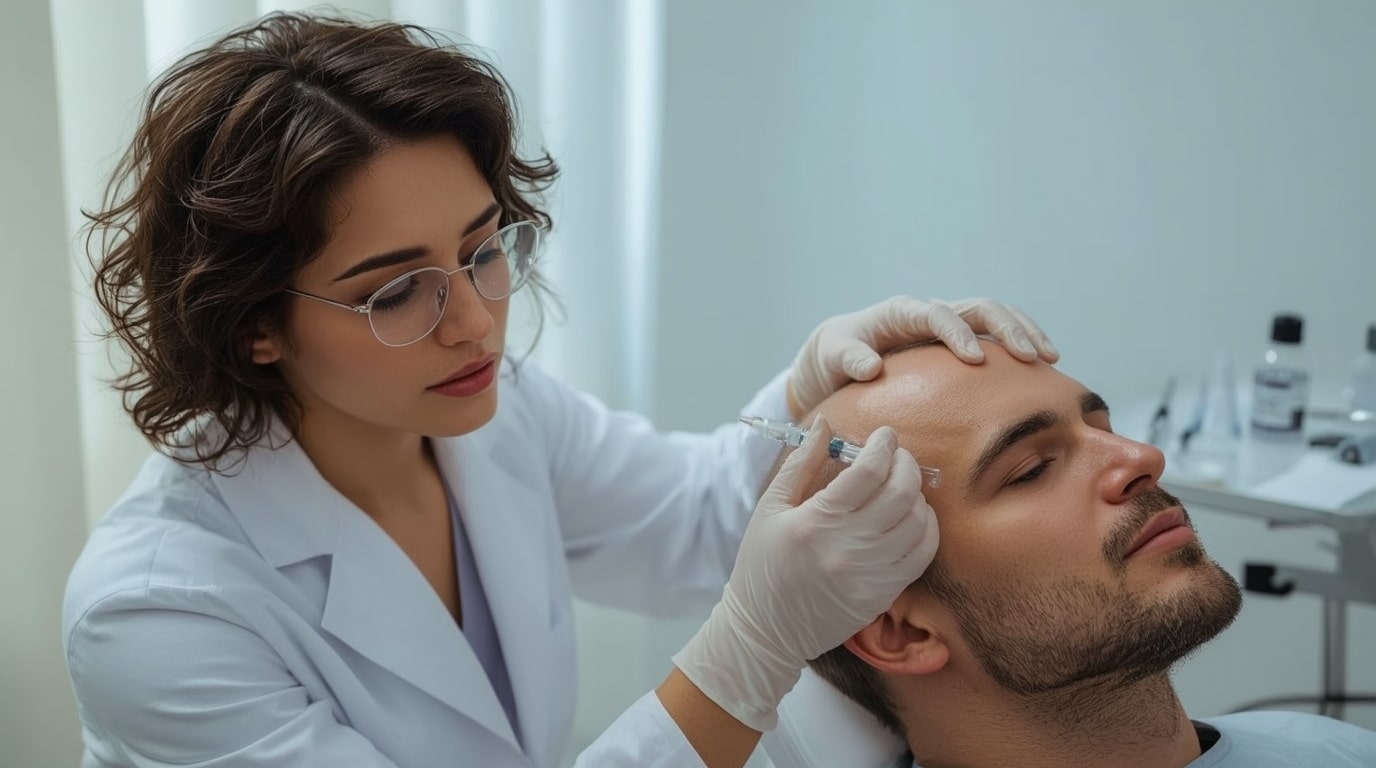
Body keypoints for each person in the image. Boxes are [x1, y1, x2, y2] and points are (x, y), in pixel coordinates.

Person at [59, 13, 1059, 768]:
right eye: (396, 291)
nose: (475, 321)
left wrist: (804, 397)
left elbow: (695, 521)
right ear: (253, 325)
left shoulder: (490, 411)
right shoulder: (157, 614)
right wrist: (743, 653)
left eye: (483, 249)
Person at [791, 340, 1376, 768]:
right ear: (901, 632)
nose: (1143, 457)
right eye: (1032, 470)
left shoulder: (1332, 750)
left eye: (1104, 426)